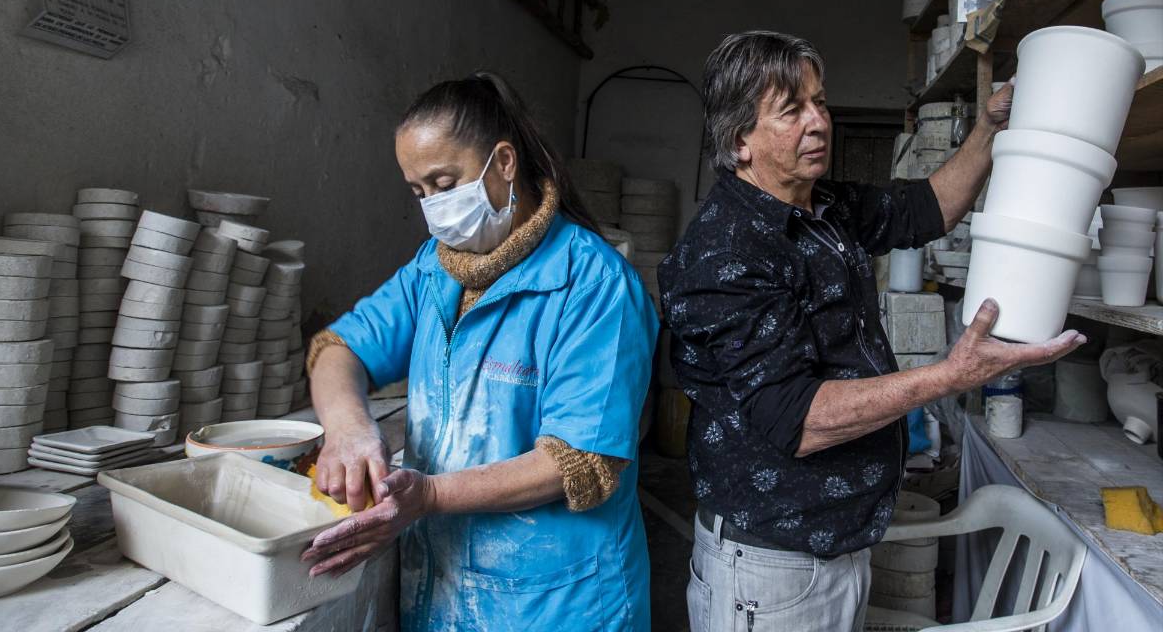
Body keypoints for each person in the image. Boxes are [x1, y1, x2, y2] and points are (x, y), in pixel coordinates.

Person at [658, 31, 1086, 632]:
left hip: (840, 543)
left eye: (820, 102)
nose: (819, 123)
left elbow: (927, 209)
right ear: (740, 141)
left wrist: (990, 131)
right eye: (792, 110)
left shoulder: (821, 205)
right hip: (771, 565)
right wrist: (949, 376)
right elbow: (799, 421)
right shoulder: (724, 252)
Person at [300, 72, 657, 631]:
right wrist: (349, 430)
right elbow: (338, 349)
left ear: (504, 163)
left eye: (445, 183)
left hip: (555, 605)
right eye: (419, 192)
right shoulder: (433, 268)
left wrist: (432, 496)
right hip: (441, 593)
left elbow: (582, 461)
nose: (434, 207)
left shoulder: (594, 283)